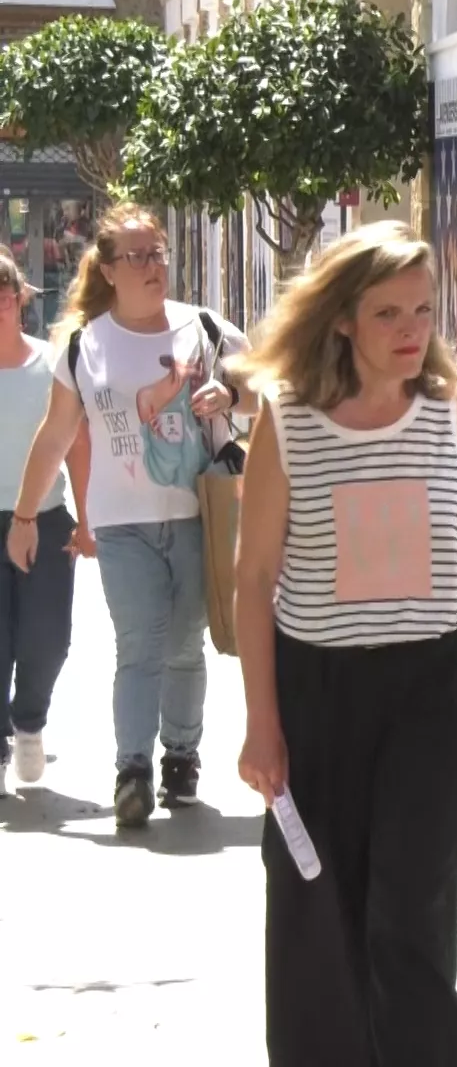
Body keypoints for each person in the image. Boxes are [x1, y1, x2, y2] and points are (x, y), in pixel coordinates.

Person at [228, 220, 457, 1067]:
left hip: (435, 690)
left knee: (410, 912)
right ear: (342, 318)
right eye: (389, 313)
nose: (414, 330)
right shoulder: (290, 421)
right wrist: (262, 724)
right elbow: (252, 579)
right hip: (319, 692)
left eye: (423, 309)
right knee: (317, 905)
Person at [7, 202, 255, 827]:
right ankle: (133, 770)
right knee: (138, 643)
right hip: (121, 525)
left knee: (183, 644)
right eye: (138, 257)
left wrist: (229, 393)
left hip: (197, 512)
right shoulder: (87, 346)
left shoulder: (203, 327)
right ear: (110, 269)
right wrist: (27, 514)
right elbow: (56, 433)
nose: (153, 267)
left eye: (159, 254)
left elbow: (261, 392)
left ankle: (181, 755)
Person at [0, 250, 91, 795]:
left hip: (47, 518)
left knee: (48, 639)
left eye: (6, 295)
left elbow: (76, 444)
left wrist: (88, 518)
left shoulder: (48, 366)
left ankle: (29, 722)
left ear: (19, 301)